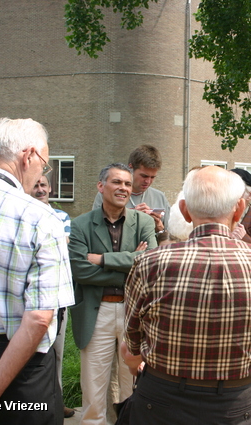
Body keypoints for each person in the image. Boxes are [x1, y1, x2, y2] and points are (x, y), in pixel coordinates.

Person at [122, 166, 251, 424]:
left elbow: (132, 337)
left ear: (183, 210)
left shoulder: (150, 261)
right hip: (235, 400)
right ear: (239, 209)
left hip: (161, 397)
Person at [0, 117, 74, 424]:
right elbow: (38, 318)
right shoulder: (42, 219)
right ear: (28, 155)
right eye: (43, 164)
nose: (40, 174)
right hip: (24, 375)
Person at [69, 163, 157, 425]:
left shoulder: (143, 222)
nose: (124, 188)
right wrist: (129, 264)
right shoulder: (81, 224)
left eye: (128, 184)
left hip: (134, 313)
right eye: (117, 182)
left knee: (132, 382)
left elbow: (150, 262)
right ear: (101, 186)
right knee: (94, 385)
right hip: (98, 313)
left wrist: (101, 259)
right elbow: (80, 271)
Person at [32, 175, 76, 419]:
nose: (40, 189)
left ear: (50, 188)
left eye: (43, 185)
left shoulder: (61, 217)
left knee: (57, 353)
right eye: (36, 185)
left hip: (58, 297)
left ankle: (56, 401)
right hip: (31, 299)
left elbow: (65, 245)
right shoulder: (23, 213)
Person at [93, 145, 170, 239]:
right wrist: (129, 217)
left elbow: (169, 238)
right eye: (144, 176)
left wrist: (160, 229)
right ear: (131, 168)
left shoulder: (160, 197)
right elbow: (96, 232)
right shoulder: (107, 194)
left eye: (152, 177)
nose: (148, 181)